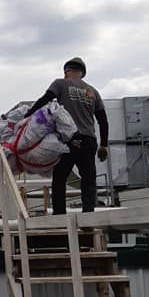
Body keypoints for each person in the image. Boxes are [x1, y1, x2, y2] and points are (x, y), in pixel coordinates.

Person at [26, 57, 109, 215]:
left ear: (66, 72)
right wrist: (104, 145)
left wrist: (27, 116)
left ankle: (60, 216)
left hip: (68, 140)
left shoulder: (60, 84)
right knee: (88, 180)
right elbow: (103, 121)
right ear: (82, 73)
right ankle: (88, 216)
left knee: (60, 179)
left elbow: (44, 101)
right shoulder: (93, 92)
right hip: (89, 140)